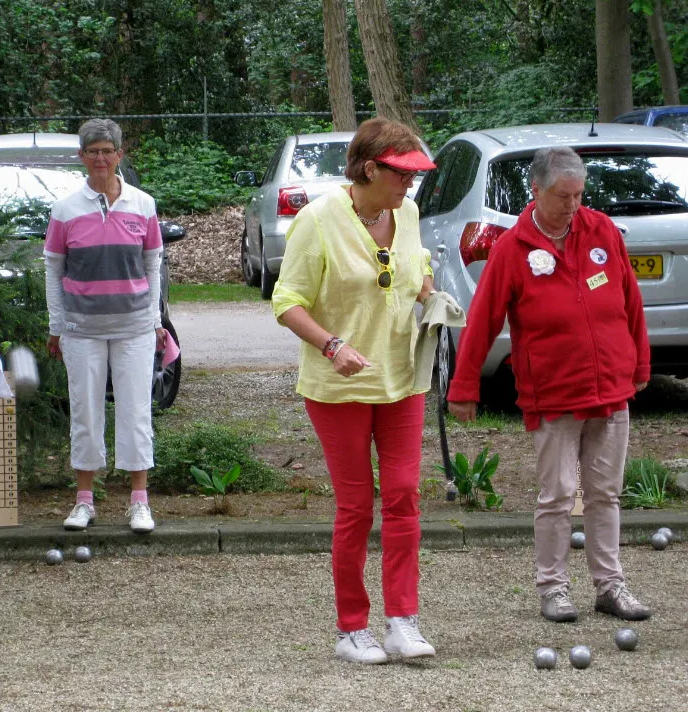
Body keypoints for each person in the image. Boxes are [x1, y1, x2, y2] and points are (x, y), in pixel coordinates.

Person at [448, 146, 652, 624]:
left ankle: (610, 585)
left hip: (610, 389)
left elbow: (630, 302)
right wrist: (464, 386)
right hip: (554, 394)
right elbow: (482, 319)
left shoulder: (600, 230)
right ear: (536, 190)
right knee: (557, 496)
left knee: (605, 492)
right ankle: (553, 589)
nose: (573, 206)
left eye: (579, 195)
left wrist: (640, 365)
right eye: (564, 196)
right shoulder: (512, 247)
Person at [271, 117, 439, 664]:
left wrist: (432, 298)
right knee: (356, 507)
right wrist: (331, 345)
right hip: (337, 385)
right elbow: (287, 301)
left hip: (401, 379)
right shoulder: (318, 220)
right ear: (371, 168)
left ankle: (402, 621)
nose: (410, 184)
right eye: (403, 174)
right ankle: (351, 629)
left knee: (404, 495)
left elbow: (417, 272)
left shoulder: (407, 212)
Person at [44, 119, 165, 535]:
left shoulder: (142, 204)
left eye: (106, 151)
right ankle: (84, 500)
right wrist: (56, 325)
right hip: (81, 327)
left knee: (135, 411)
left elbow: (153, 263)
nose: (100, 158)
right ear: (81, 157)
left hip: (133, 326)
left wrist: (154, 322)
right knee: (85, 411)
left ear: (119, 155)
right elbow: (53, 268)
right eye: (92, 151)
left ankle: (139, 501)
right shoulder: (65, 209)